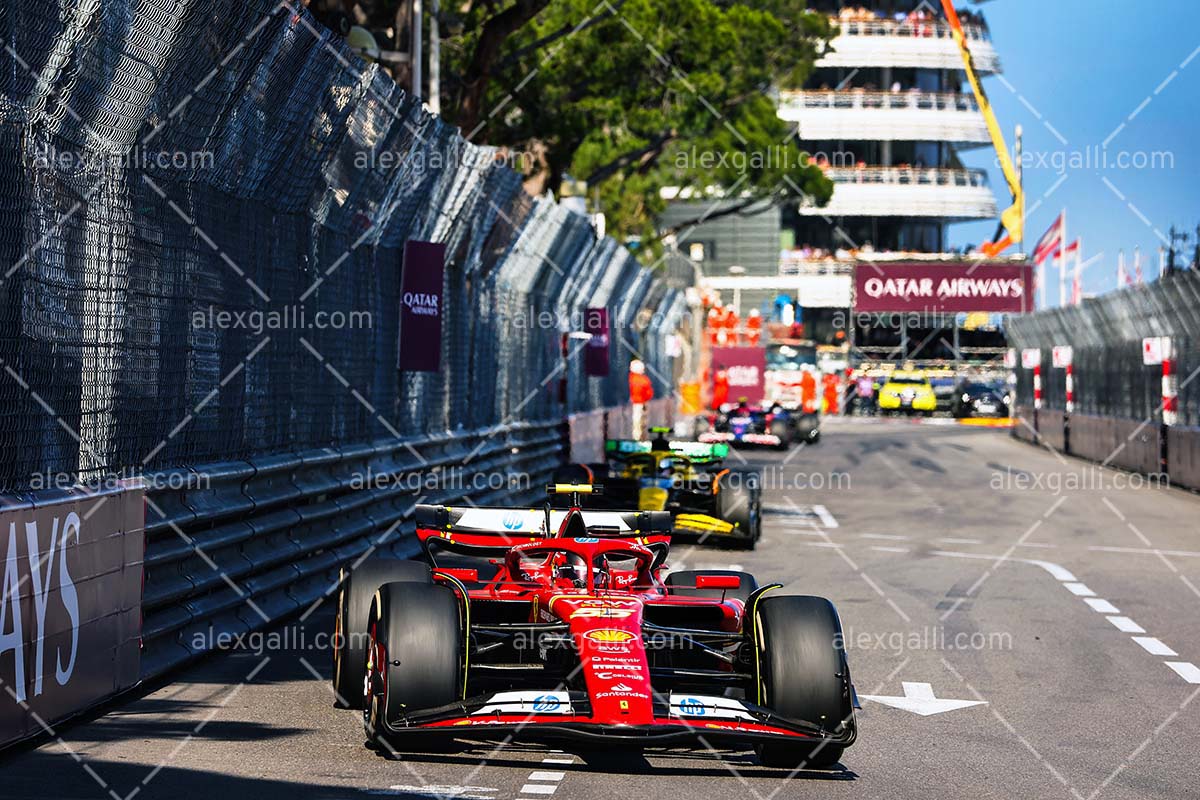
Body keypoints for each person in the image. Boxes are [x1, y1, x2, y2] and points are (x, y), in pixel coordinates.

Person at [629, 360, 654, 439]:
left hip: (628, 403)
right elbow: (648, 393)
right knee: (637, 422)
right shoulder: (644, 380)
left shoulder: (628, 379)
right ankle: (636, 438)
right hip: (639, 403)